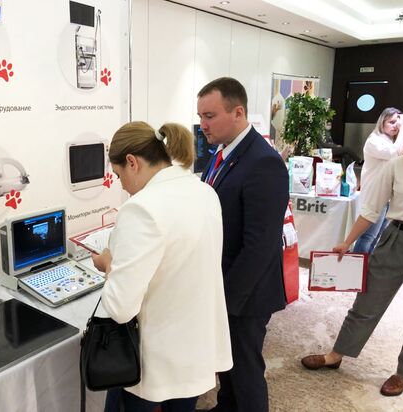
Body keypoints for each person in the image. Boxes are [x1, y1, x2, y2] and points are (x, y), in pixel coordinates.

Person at [91, 121, 233, 412]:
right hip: (196, 350)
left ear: (132, 162)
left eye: (118, 175)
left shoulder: (141, 208)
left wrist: (108, 264)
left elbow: (120, 308)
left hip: (154, 360)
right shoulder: (204, 192)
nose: (121, 185)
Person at [196, 77, 289, 412]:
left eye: (210, 116)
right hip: (223, 282)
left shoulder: (264, 162)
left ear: (238, 112)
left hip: (246, 292)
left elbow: (260, 245)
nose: (203, 124)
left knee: (246, 368)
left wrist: (228, 299)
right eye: (200, 116)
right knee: (227, 362)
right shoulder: (221, 153)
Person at [301, 154, 403, 397]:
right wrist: (347, 241)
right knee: (367, 302)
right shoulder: (397, 165)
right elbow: (372, 209)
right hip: (395, 238)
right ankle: (335, 355)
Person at [352, 107, 403, 254]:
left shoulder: (389, 140)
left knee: (376, 237)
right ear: (382, 122)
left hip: (387, 196)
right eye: (392, 122)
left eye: (397, 123)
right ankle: (358, 265)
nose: (396, 126)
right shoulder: (374, 141)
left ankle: (367, 265)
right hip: (374, 195)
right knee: (368, 236)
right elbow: (396, 153)